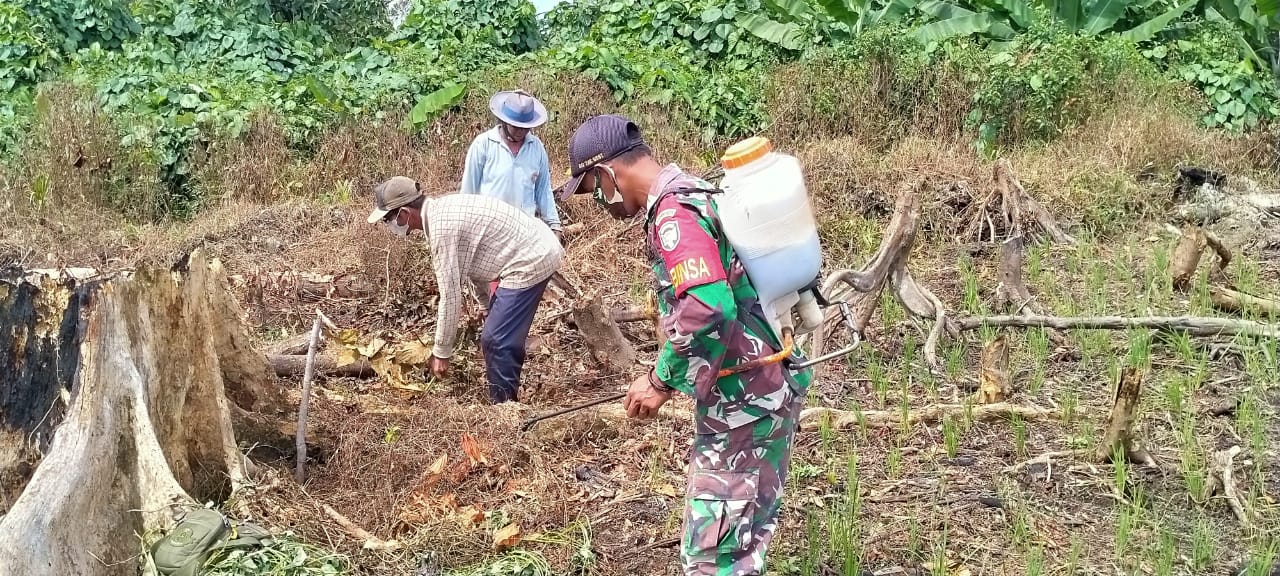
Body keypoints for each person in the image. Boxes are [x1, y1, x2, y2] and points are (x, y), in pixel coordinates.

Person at [561, 115, 813, 575]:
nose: (596, 201)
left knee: (712, 555)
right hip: (768, 384)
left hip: (745, 402)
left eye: (591, 188)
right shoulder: (699, 190)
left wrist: (659, 380)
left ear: (608, 174)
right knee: (746, 537)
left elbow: (709, 304)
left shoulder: (674, 213)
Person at [367, 176, 563, 404]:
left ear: (403, 214)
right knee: (497, 331)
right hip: (536, 246)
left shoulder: (442, 229)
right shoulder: (442, 211)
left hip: (532, 259)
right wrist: (485, 305)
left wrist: (441, 353)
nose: (388, 225)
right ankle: (505, 395)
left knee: (495, 339)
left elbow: (450, 298)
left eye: (387, 219)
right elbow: (474, 264)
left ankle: (504, 409)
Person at [460, 89, 563, 308]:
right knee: (488, 293)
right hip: (489, 230)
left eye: (525, 128)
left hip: (523, 233)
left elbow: (543, 192)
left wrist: (555, 227)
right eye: (515, 126)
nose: (519, 132)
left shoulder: (537, 149)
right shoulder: (484, 145)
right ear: (503, 120)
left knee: (514, 292)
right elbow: (468, 191)